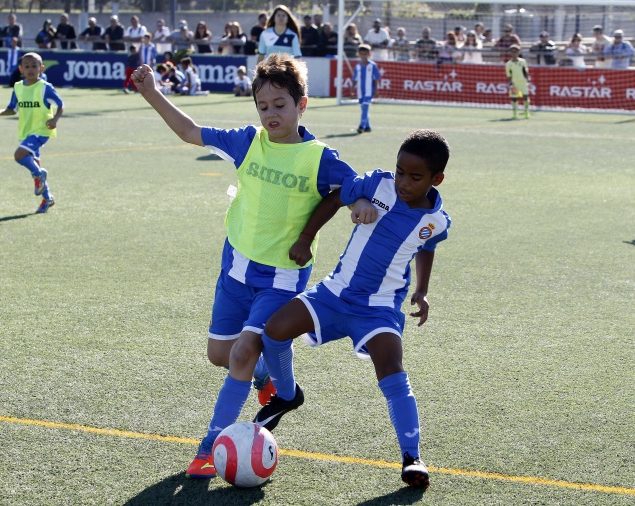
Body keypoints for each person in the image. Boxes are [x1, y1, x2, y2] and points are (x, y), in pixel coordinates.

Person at [129, 53, 364, 480]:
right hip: (234, 271)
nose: (271, 114)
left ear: (302, 105)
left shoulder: (320, 157)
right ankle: (264, 377)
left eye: (280, 105)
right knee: (220, 355)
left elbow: (352, 187)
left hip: (281, 281)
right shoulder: (247, 141)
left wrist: (359, 204)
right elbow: (188, 130)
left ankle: (208, 446)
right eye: (263, 106)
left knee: (240, 351)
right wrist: (152, 93)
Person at [252, 128, 451, 489]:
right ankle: (286, 394)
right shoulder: (378, 184)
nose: (403, 182)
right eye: (400, 171)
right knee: (274, 331)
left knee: (391, 368)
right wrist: (306, 238)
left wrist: (421, 291)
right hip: (334, 292)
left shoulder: (436, 221)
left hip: (378, 309)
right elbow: (334, 198)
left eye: (415, 177)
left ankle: (412, 457)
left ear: (436, 179)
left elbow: (428, 247)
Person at [0, 52, 63, 214]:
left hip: (41, 130)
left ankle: (40, 175)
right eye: (27, 66)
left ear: (41, 68)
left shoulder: (45, 87)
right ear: (21, 69)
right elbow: (12, 109)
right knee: (34, 166)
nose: (30, 69)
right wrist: (0, 112)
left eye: (34, 66)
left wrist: (54, 120)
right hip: (27, 131)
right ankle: (48, 198)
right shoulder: (18, 87)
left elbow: (61, 105)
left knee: (19, 155)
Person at [353, 44, 380, 133]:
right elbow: (355, 78)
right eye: (362, 54)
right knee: (363, 108)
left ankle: (361, 126)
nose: (363, 56)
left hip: (369, 91)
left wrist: (376, 90)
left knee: (365, 108)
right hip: (360, 91)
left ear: (369, 54)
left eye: (365, 54)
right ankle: (368, 126)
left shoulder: (372, 66)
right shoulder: (357, 66)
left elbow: (376, 78)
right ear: (359, 54)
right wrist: (352, 88)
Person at [506, 45, 530, 119]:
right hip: (514, 83)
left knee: (525, 97)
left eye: (516, 52)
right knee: (514, 98)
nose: (514, 54)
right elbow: (509, 75)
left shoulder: (522, 62)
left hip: (523, 83)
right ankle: (515, 113)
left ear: (518, 53)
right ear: (510, 53)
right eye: (512, 52)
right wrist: (510, 83)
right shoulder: (508, 64)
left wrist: (527, 80)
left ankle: (526, 111)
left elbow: (525, 72)